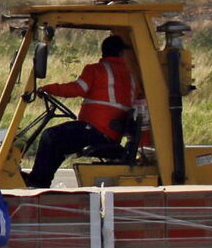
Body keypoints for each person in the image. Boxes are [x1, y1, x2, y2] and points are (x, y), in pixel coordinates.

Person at [26, 35, 137, 188]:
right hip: (110, 135)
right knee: (58, 144)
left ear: (104, 52)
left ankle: (37, 182)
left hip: (94, 131)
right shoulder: (131, 77)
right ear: (121, 53)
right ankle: (40, 183)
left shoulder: (96, 70)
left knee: (50, 136)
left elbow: (77, 88)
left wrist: (47, 88)